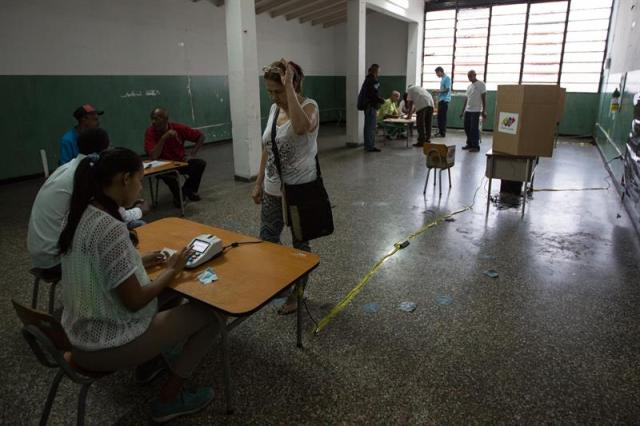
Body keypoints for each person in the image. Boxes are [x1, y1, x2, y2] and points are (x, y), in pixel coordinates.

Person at [58, 147, 219, 422]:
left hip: (78, 334)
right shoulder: (111, 228)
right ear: (125, 179)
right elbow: (134, 300)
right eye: (140, 180)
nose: (140, 187)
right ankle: (169, 399)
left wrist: (138, 260)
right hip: (104, 346)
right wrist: (171, 269)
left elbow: (98, 267)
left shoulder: (78, 215)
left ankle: (149, 364)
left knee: (168, 295)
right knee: (212, 315)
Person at [252, 59, 319, 315]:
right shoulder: (273, 110)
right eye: (270, 91)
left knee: (300, 245)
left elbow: (301, 127)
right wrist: (258, 183)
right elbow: (267, 148)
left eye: (277, 91)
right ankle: (281, 283)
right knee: (267, 238)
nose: (273, 96)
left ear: (294, 84)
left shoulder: (310, 107)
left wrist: (289, 89)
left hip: (300, 191)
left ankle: (298, 293)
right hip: (272, 189)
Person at [27, 128, 146, 271]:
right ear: (107, 151)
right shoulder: (90, 176)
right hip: (59, 258)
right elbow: (110, 217)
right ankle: (132, 274)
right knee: (137, 227)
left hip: (41, 254)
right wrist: (139, 210)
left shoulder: (68, 168)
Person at [144, 108, 206, 207]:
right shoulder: (150, 132)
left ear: (165, 119)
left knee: (200, 164)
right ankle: (180, 197)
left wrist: (192, 154)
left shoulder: (178, 128)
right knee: (170, 174)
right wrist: (164, 138)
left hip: (179, 162)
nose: (153, 122)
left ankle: (186, 192)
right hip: (162, 166)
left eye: (156, 119)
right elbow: (153, 155)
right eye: (152, 119)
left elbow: (201, 137)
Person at [358, 64, 385, 152]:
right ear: (376, 71)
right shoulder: (373, 81)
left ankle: (368, 145)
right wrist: (381, 100)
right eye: (379, 71)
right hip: (371, 106)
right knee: (371, 127)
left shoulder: (367, 80)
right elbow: (374, 95)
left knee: (368, 126)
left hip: (367, 106)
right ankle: (370, 146)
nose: (379, 73)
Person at [459, 70, 486, 152]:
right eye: (468, 76)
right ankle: (469, 143)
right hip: (468, 110)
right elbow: (466, 99)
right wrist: (462, 111)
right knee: (467, 127)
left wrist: (484, 110)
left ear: (475, 75)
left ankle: (475, 146)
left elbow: (484, 98)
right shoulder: (469, 86)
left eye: (471, 76)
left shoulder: (481, 84)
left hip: (476, 110)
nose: (469, 78)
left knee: (473, 128)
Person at [434, 67, 451, 137]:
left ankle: (442, 133)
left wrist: (438, 91)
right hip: (441, 100)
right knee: (439, 117)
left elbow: (447, 90)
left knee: (442, 117)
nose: (437, 75)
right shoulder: (442, 79)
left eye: (437, 73)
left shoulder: (447, 78)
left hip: (444, 100)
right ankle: (440, 131)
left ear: (440, 71)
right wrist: (438, 91)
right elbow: (443, 89)